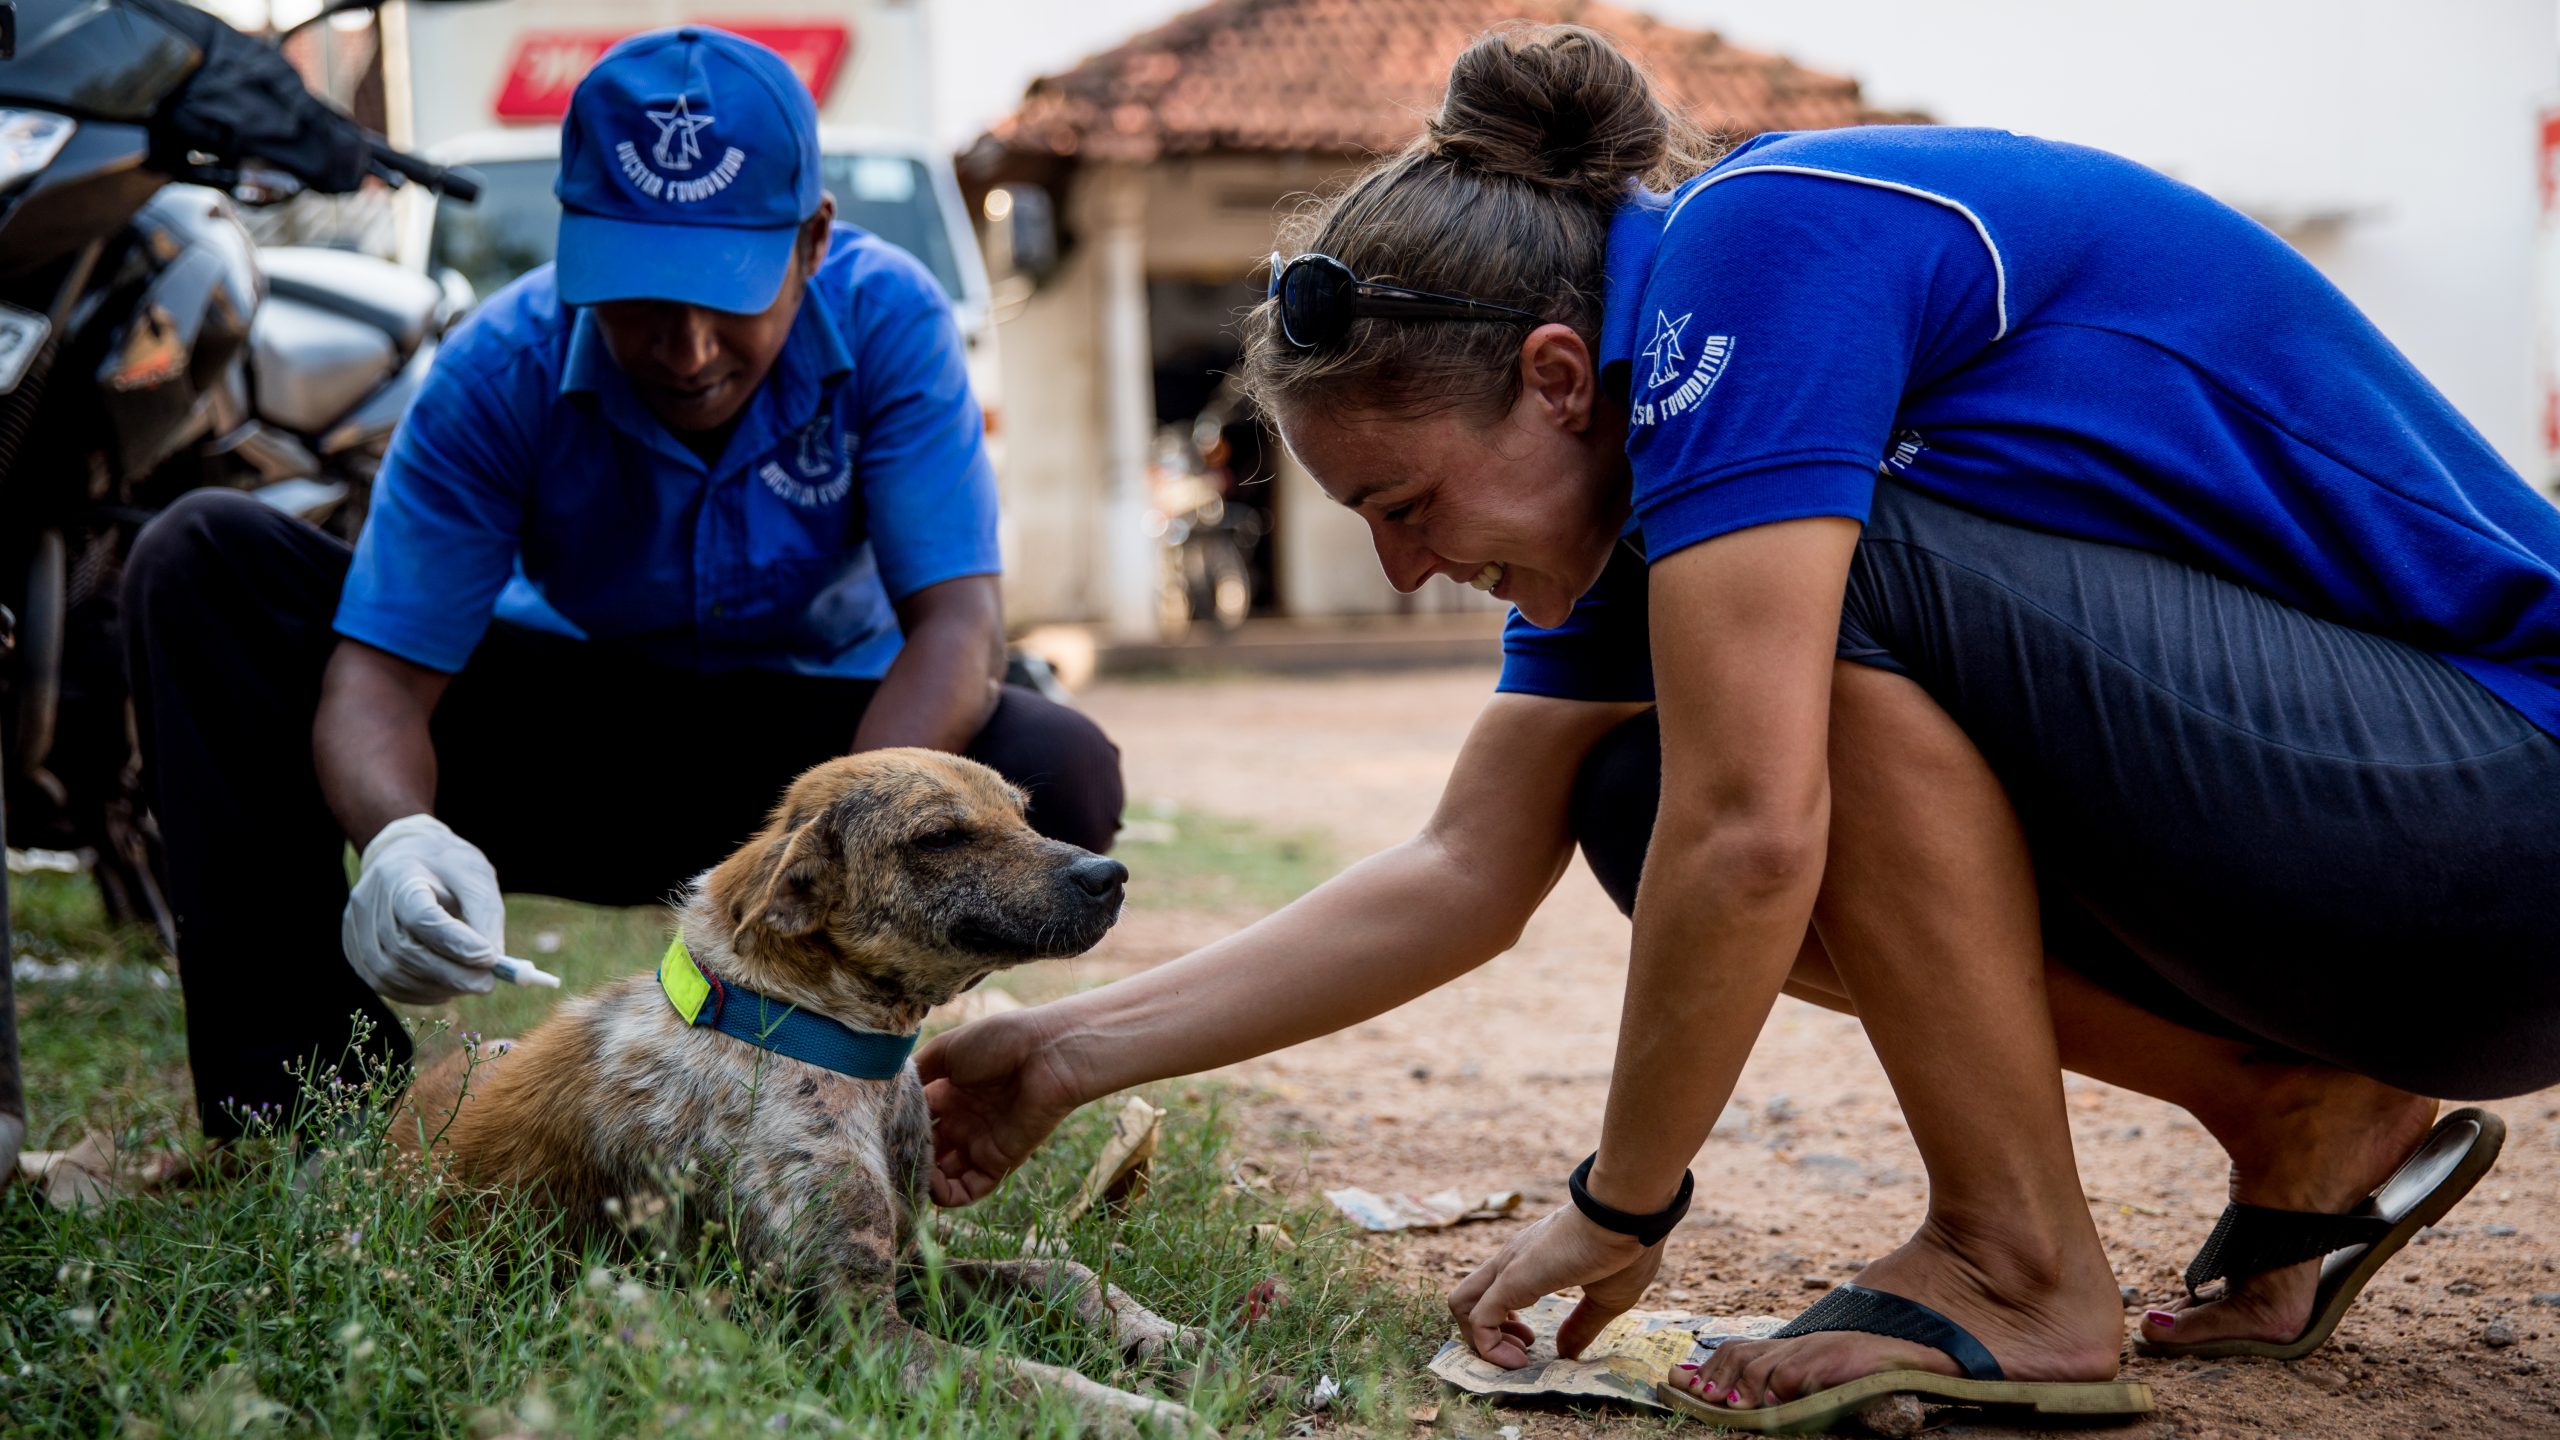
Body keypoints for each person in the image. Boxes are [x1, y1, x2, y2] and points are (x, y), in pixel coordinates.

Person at [918, 21, 2560, 1421]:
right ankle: (2297, 1113)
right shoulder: (1667, 465)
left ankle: (2014, 1264)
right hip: (2410, 889)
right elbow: (1461, 868)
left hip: (2505, 817)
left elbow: (1760, 830)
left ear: (1560, 378)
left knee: (1776, 670)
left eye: (1404, 501)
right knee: (1632, 790)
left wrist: (1623, 1202)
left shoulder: (1759, 245)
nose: (1406, 563)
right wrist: (1055, 1053)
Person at [123, 27, 1120, 1143]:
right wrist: (401, 835)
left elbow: (958, 626)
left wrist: (837, 831)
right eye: (644, 299)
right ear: (577, 252)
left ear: (812, 244)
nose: (688, 349)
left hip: (802, 762)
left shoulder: (891, 320)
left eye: (729, 297)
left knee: (1054, 766)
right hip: (570, 744)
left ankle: (866, 1094)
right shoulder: (501, 364)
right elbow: (383, 682)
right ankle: (301, 1115)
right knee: (204, 560)